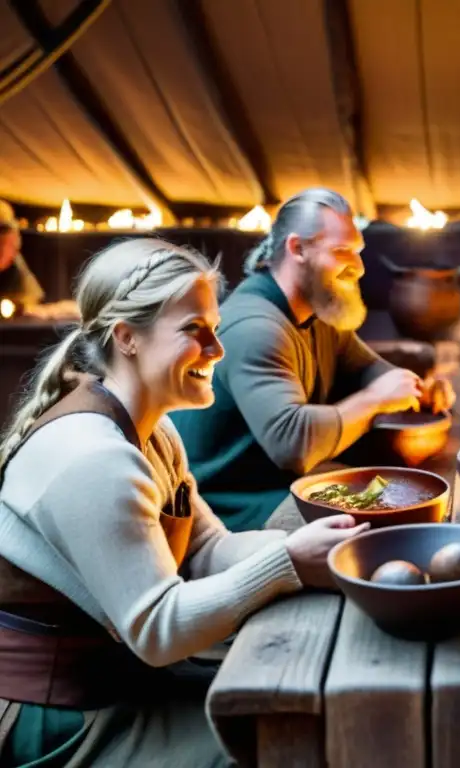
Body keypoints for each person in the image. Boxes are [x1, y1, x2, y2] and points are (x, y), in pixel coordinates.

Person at [0, 239, 370, 767]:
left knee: (301, 707)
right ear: (127, 337)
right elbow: (157, 627)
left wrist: (325, 544)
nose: (217, 349)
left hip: (123, 677)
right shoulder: (92, 456)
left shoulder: (156, 432)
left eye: (215, 328)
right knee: (281, 745)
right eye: (194, 331)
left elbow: (207, 548)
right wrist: (288, 563)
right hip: (59, 715)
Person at [170, 188, 455, 533]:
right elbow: (294, 443)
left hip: (284, 483)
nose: (359, 268)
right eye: (341, 252)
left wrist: (415, 389)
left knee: (415, 501)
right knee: (381, 529)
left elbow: (365, 367)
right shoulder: (256, 328)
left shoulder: (317, 311)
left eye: (358, 252)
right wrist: (375, 400)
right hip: (230, 504)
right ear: (297, 249)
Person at [0, 221, 45, 311]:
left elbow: (35, 296)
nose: (10, 250)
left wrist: (19, 304)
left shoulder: (16, 262)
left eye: (12, 246)